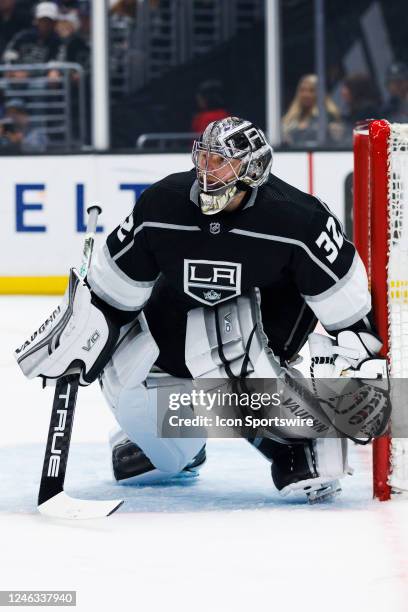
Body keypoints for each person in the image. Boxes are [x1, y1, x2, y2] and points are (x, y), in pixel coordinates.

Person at [15, 117, 385, 503]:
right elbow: (111, 300)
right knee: (165, 446)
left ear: (253, 169)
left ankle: (293, 441)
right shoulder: (162, 203)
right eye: (205, 159)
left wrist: (348, 395)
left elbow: (353, 327)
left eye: (221, 162)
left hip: (258, 348)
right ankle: (170, 446)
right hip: (166, 349)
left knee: (227, 341)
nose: (208, 171)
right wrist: (79, 337)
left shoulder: (300, 221)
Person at [3, 1, 61, 78]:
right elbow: (8, 55)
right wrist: (13, 70)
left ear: (54, 23)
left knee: (54, 76)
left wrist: (28, 74)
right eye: (43, 20)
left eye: (49, 21)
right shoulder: (22, 37)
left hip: (43, 81)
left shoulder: (57, 42)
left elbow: (55, 64)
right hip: (17, 78)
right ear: (36, 20)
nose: (46, 24)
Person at [282, 74, 341, 147]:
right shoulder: (290, 117)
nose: (306, 94)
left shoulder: (328, 117)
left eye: (311, 90)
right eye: (302, 90)